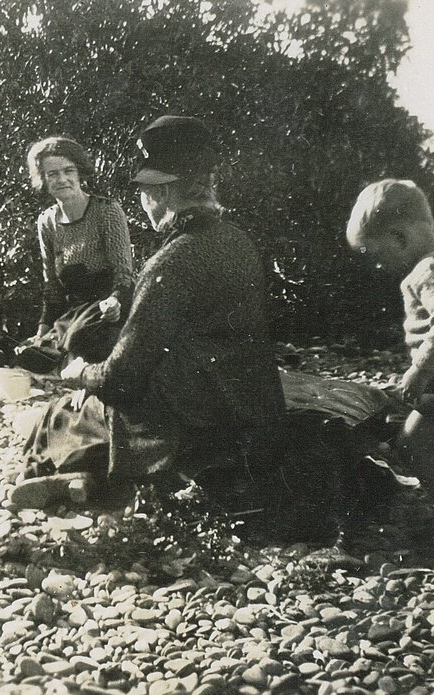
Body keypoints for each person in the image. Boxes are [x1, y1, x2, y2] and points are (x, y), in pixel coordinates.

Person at [14, 116, 284, 509]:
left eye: (144, 190)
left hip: (195, 417)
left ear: (165, 192)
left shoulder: (170, 262)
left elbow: (122, 377)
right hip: (250, 409)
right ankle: (86, 477)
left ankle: (93, 482)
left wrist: (82, 375)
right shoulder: (238, 240)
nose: (142, 200)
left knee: (66, 414)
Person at [346, 179, 434, 489]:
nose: (379, 268)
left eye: (378, 258)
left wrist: (419, 370)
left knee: (412, 445)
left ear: (400, 237)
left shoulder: (426, 272)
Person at [17, 136, 134, 371]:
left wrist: (114, 302)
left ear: (79, 172)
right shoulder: (47, 222)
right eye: (52, 174)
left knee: (78, 341)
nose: (62, 179)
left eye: (68, 170)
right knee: (30, 355)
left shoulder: (106, 212)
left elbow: (124, 276)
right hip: (72, 317)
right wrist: (41, 330)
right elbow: (53, 288)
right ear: (43, 180)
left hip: (106, 315)